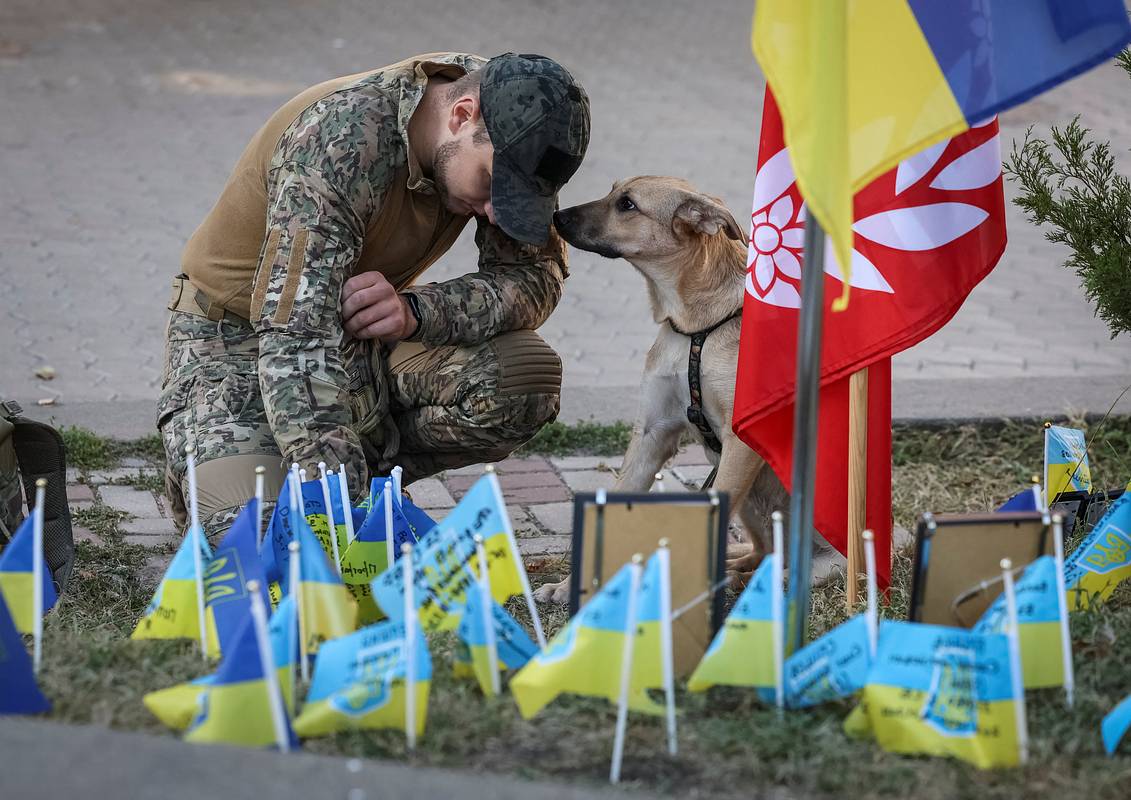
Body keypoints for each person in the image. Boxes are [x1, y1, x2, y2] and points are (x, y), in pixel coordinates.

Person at [158, 52, 590, 537]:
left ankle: (369, 465)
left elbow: (536, 277)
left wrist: (415, 312)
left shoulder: (519, 123)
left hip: (357, 340)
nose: (494, 212)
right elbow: (296, 338)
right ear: (461, 114)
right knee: (267, 543)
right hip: (237, 344)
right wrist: (348, 514)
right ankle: (228, 455)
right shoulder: (339, 139)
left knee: (523, 376)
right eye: (492, 184)